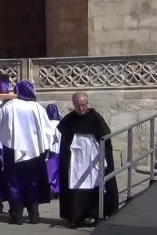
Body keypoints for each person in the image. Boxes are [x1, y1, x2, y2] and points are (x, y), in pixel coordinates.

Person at [0, 80, 55, 225]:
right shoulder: (37, 108)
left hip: (12, 150)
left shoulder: (9, 106)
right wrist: (46, 147)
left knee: (14, 183)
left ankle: (16, 216)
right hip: (34, 151)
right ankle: (34, 216)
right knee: (33, 183)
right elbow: (48, 131)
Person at [58, 92, 119, 228]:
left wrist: (104, 159)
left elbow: (105, 139)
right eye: (78, 105)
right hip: (76, 161)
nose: (81, 108)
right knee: (76, 186)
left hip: (93, 158)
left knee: (96, 185)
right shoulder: (69, 120)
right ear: (73, 104)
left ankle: (98, 215)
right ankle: (75, 217)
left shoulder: (96, 118)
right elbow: (64, 141)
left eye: (83, 105)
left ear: (87, 104)